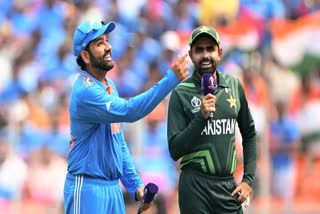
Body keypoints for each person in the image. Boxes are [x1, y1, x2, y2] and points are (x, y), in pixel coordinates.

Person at [63, 20, 189, 214]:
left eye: (106, 40)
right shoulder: (85, 92)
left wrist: (136, 186)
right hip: (87, 187)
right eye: (99, 43)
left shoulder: (109, 86)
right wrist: (170, 79)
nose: (109, 47)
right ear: (85, 56)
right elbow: (130, 111)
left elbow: (118, 144)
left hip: (112, 188)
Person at [167, 25, 257, 214]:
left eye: (210, 49)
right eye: (199, 50)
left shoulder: (233, 85)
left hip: (227, 186)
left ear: (220, 53)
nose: (205, 55)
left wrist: (248, 180)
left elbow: (249, 134)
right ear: (191, 55)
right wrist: (201, 117)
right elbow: (175, 150)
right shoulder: (180, 93)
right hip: (194, 187)